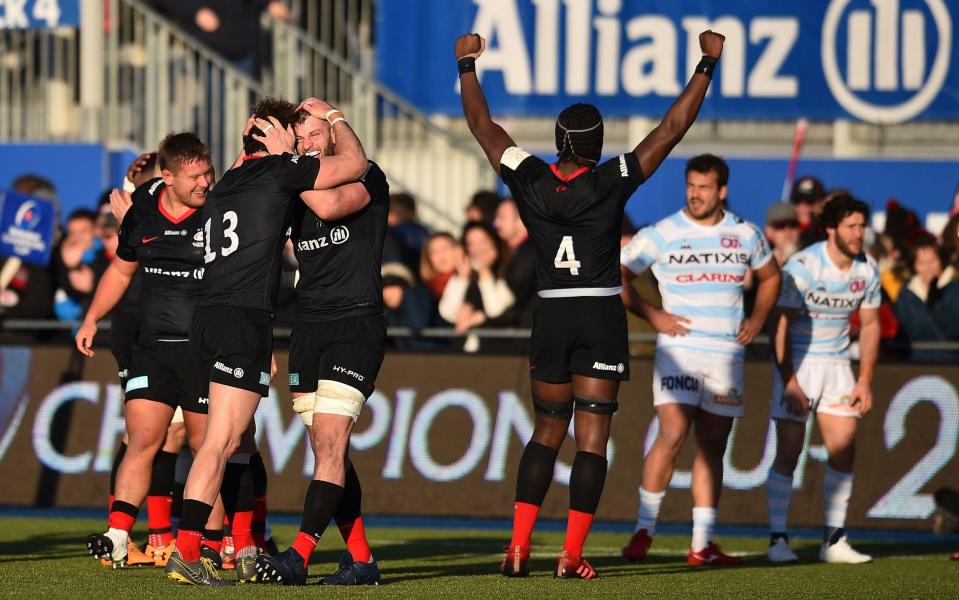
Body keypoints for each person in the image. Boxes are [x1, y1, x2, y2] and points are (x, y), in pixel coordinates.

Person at [456, 28, 725, 579]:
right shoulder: (612, 180)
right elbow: (672, 129)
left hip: (551, 311)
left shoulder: (528, 177)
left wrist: (466, 66)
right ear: (598, 144)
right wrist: (706, 64)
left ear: (557, 141)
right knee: (592, 440)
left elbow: (483, 128)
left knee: (545, 430)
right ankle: (571, 554)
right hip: (601, 312)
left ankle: (517, 548)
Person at [165, 97, 367, 586]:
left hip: (206, 318)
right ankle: (188, 552)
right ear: (275, 140)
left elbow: (243, 165)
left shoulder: (224, 183)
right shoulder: (280, 172)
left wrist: (258, 142)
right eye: (289, 135)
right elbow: (357, 165)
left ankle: (230, 544)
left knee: (228, 442)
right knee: (221, 442)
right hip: (243, 319)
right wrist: (335, 119)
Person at [620, 154, 780, 566]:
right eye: (691, 185)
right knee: (672, 432)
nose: (695, 193)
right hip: (680, 351)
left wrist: (758, 319)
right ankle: (643, 531)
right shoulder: (664, 232)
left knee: (712, 445)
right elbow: (616, 274)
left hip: (725, 354)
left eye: (704, 187)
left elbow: (771, 275)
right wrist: (653, 315)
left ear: (721, 190)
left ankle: (701, 544)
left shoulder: (745, 233)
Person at [254, 101, 389, 586]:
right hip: (308, 327)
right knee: (328, 452)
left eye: (314, 135)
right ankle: (363, 562)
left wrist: (333, 118)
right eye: (301, 137)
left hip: (354, 322)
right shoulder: (295, 189)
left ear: (333, 137)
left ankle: (299, 556)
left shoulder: (367, 176)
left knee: (331, 445)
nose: (307, 144)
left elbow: (331, 204)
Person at [76, 133, 218, 569]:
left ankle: (212, 545)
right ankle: (119, 534)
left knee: (206, 447)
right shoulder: (142, 211)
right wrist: (91, 317)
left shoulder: (219, 212)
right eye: (195, 176)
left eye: (208, 173)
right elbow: (121, 272)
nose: (205, 183)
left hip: (203, 350)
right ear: (168, 177)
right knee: (142, 438)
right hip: (151, 348)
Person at [764, 194, 880, 564]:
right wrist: (790, 380)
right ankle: (778, 541)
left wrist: (864, 380)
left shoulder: (867, 269)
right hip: (798, 364)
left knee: (845, 450)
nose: (859, 233)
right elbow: (778, 325)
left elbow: (872, 324)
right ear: (831, 229)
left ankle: (833, 541)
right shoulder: (804, 266)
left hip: (838, 365)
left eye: (862, 225)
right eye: (851, 226)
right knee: (789, 451)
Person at [438, 221, 514, 352]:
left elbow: (496, 310)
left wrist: (477, 318)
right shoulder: (464, 273)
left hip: (497, 352)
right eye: (472, 244)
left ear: (493, 241)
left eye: (483, 241)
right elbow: (447, 312)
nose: (478, 249)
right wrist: (462, 278)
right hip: (461, 351)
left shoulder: (506, 270)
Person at [893, 235, 959, 361]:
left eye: (932, 261)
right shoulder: (906, 294)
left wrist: (936, 304)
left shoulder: (955, 289)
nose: (928, 268)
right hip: (915, 363)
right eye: (922, 263)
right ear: (914, 265)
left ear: (941, 260)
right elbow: (901, 331)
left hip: (952, 362)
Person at [494, 197, 538, 328]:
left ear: (520, 220)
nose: (496, 223)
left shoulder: (530, 253)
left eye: (501, 218)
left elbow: (515, 297)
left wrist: (484, 320)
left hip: (525, 334)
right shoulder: (511, 252)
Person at [419, 232, 459, 301]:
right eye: (434, 251)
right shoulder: (424, 293)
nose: (441, 255)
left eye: (445, 249)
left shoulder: (474, 280)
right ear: (428, 258)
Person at [764, 202, 801, 268]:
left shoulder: (813, 258)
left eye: (793, 224)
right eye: (780, 225)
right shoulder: (761, 264)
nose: (787, 231)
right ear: (769, 232)